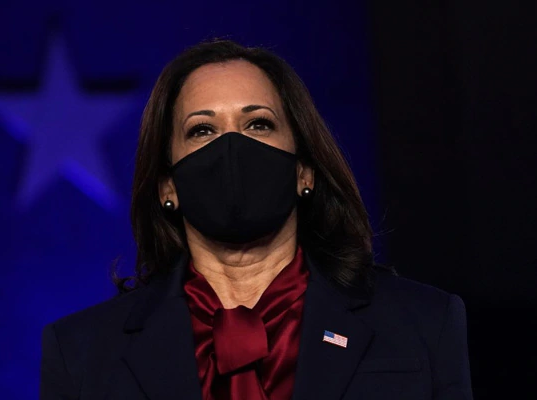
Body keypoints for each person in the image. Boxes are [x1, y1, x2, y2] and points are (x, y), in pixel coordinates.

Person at [39, 40, 473, 400]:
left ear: (304, 172)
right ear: (167, 187)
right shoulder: (81, 353)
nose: (232, 148)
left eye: (258, 125)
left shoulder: (424, 324)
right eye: (202, 130)